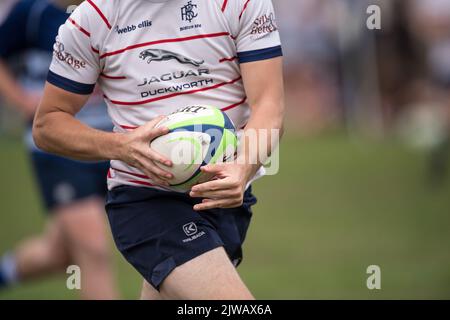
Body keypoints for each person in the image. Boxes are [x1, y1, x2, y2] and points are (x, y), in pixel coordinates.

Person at [33, 0, 285, 300]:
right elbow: (47, 125)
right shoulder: (93, 18)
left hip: (225, 198)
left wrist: (243, 167)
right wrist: (122, 146)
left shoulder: (240, 3)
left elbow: (269, 103)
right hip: (145, 201)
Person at [0, 0, 118, 299]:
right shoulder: (33, 12)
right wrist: (22, 101)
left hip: (117, 142)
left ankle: (5, 272)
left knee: (60, 254)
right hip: (58, 148)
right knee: (92, 248)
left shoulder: (115, 8)